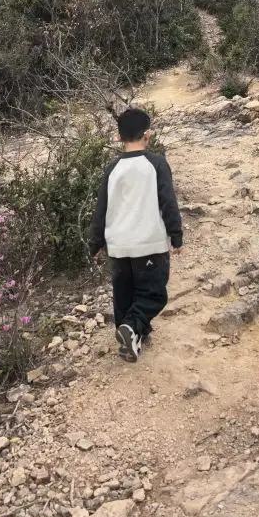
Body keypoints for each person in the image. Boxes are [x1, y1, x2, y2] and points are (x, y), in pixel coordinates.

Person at [90, 107, 183, 363]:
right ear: (147, 135)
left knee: (124, 295)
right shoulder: (156, 163)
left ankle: (132, 338)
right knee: (154, 293)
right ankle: (132, 327)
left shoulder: (112, 168)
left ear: (119, 137)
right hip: (149, 243)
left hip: (117, 245)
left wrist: (95, 243)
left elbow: (101, 208)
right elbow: (168, 202)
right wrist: (176, 235)